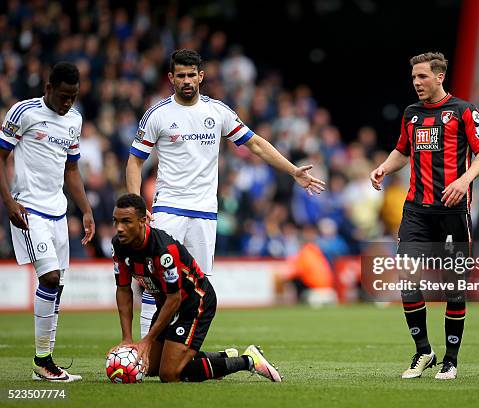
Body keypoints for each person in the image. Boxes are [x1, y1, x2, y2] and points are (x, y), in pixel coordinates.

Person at [126, 49, 325, 337]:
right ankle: (145, 352)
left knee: (197, 288)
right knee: (157, 281)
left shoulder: (217, 112)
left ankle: (183, 352)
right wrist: (135, 203)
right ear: (171, 78)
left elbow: (255, 144)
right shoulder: (158, 114)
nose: (186, 81)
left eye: (191, 75)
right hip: (168, 209)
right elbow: (134, 161)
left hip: (205, 213)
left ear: (201, 76)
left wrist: (293, 170)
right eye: (180, 75)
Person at [370, 52, 479, 380]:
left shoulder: (464, 111)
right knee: (407, 277)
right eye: (413, 78)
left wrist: (464, 180)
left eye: (422, 77)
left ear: (440, 77)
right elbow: (402, 151)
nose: (417, 83)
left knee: (454, 287)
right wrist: (384, 166)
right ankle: (424, 351)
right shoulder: (411, 114)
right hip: (416, 211)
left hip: (453, 212)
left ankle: (451, 359)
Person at [110, 194, 282, 383]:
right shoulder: (119, 246)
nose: (119, 228)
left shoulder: (163, 250)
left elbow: (175, 298)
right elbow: (123, 290)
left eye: (126, 222)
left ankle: (248, 361)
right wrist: (127, 338)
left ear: (143, 221)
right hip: (168, 304)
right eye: (116, 221)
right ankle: (221, 358)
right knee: (149, 367)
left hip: (195, 303)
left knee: (169, 374)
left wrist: (147, 340)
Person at [0, 62, 95, 382]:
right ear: (48, 89)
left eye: (74, 96)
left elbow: (71, 170)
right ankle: (42, 360)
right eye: (64, 96)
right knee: (50, 278)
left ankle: (47, 362)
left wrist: (85, 210)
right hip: (28, 209)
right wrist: (9, 202)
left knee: (58, 285)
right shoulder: (23, 112)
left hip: (58, 211)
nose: (68, 102)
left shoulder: (75, 121)